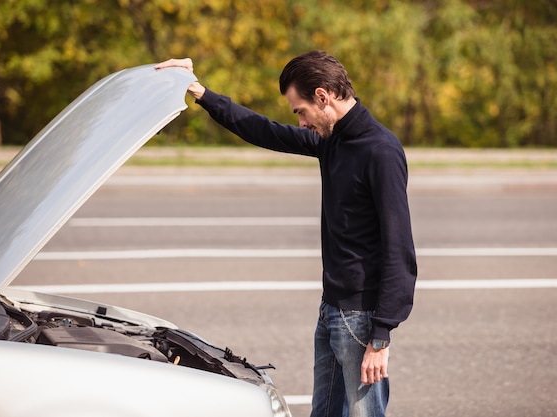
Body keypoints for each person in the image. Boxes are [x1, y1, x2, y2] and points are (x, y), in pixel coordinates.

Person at [155, 51, 417, 417]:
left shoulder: (380, 151)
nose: (301, 121)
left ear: (323, 97)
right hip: (332, 310)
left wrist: (382, 334)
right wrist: (199, 91)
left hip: (362, 318)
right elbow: (263, 130)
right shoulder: (333, 141)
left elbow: (399, 247)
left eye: (300, 110)